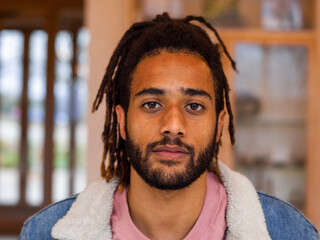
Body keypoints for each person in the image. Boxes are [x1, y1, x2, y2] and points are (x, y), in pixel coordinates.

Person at [19, 13, 319, 240]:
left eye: (194, 106)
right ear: (122, 121)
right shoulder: (45, 233)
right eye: (152, 104)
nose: (173, 126)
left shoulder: (290, 233)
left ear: (219, 125)